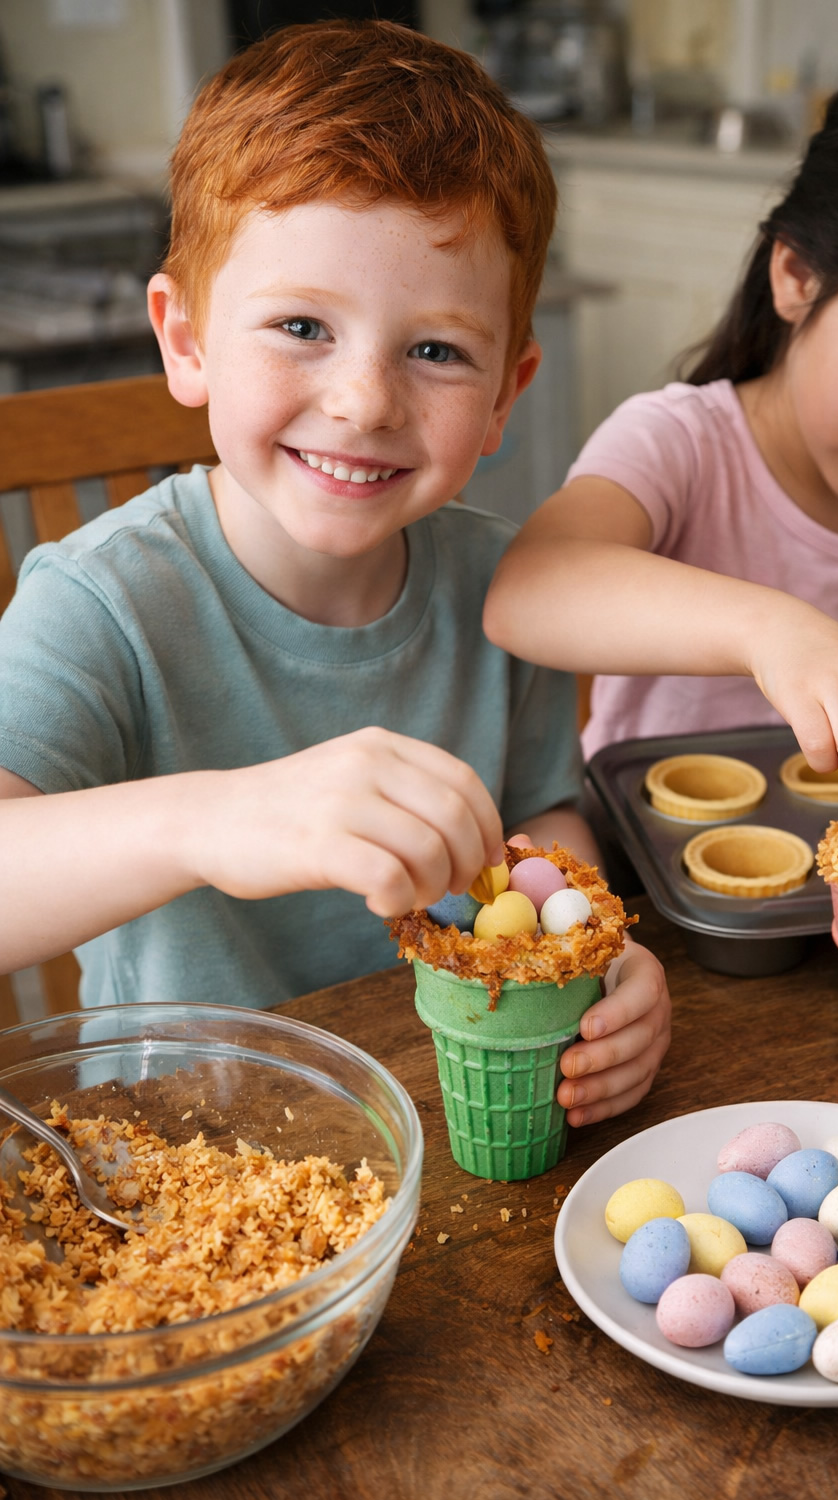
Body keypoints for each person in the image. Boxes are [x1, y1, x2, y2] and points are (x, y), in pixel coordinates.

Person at [0, 21, 669, 1129]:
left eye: (437, 350)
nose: (364, 401)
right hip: (191, 1152)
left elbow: (542, 810)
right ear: (187, 340)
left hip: (452, 1113)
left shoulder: (510, 592)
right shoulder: (101, 605)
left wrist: (588, 953)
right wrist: (211, 819)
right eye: (302, 325)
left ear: (508, 389)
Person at [485, 31, 838, 818]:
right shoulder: (682, 448)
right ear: (797, 277)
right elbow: (525, 592)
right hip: (654, 912)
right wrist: (772, 632)